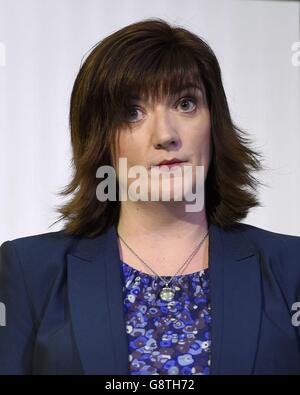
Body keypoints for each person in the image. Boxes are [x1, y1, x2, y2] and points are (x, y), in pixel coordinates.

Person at [0, 17, 300, 375]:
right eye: (132, 112)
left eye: (186, 103)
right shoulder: (28, 271)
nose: (166, 134)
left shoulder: (291, 267)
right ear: (99, 139)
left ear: (213, 122)